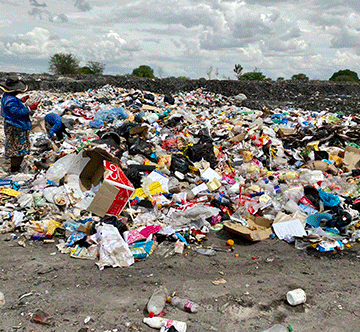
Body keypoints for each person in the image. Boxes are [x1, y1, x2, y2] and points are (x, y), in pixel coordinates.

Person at [0, 76, 31, 173]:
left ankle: (15, 168)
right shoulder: (10, 100)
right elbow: (16, 113)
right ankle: (14, 169)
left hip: (12, 124)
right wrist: (29, 108)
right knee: (18, 149)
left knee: (15, 148)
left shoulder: (7, 97)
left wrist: (22, 101)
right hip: (16, 126)